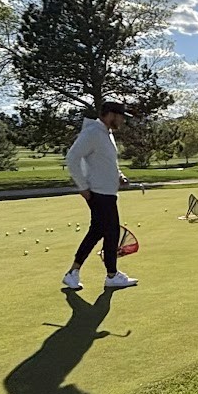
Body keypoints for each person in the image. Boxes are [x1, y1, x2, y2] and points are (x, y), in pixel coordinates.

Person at [62, 101, 138, 291]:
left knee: (97, 232)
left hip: (108, 192)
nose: (122, 121)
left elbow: (107, 162)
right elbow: (72, 158)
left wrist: (120, 176)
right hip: (98, 192)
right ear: (110, 114)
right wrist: (82, 186)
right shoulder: (92, 133)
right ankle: (111, 275)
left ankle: (73, 273)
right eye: (120, 116)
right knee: (111, 233)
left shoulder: (106, 134)